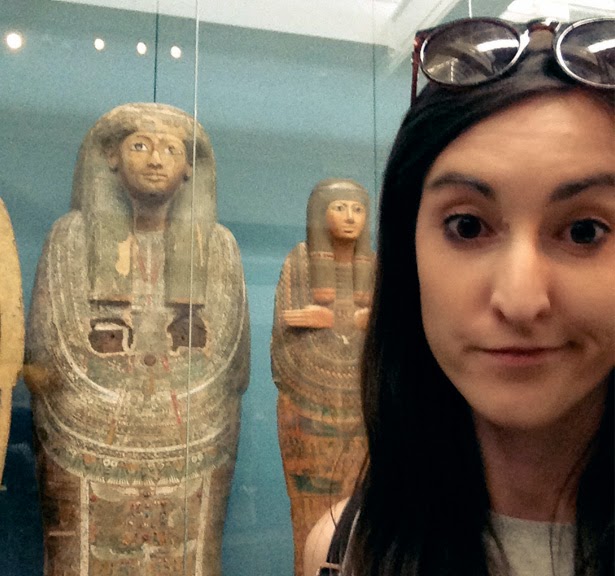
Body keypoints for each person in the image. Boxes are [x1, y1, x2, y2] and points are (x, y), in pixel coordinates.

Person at [304, 17, 614, 576]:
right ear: (409, 255)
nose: (520, 300)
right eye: (468, 226)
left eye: (584, 231)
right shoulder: (346, 551)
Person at [25, 103, 250, 576]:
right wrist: (119, 397)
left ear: (189, 168)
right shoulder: (70, 238)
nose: (155, 160)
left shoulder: (218, 246)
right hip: (90, 427)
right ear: (111, 156)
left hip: (191, 430)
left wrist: (173, 394)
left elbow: (232, 363)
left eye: (170, 150)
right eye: (141, 146)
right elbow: (49, 354)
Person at [271, 179, 374, 575]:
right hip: (308, 410)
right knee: (312, 522)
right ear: (320, 214)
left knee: (367, 516)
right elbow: (284, 338)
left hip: (365, 410)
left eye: (357, 209)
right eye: (339, 208)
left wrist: (359, 320)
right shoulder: (300, 263)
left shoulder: (375, 267)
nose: (349, 217)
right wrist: (323, 319)